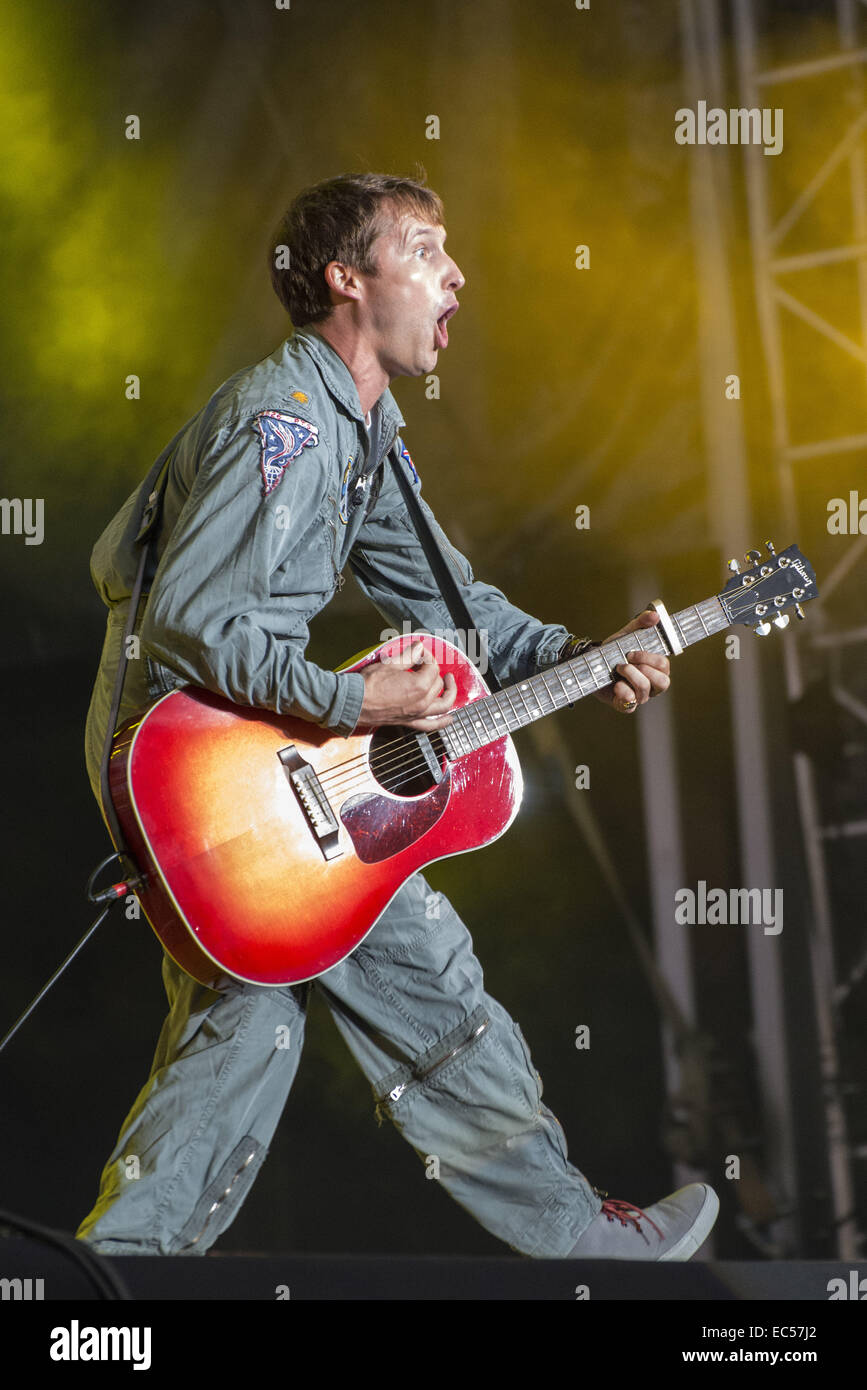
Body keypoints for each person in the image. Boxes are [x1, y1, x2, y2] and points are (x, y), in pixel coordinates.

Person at [76, 172, 719, 1261]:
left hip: (229, 764)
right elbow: (192, 621)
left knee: (252, 1017)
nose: (456, 272)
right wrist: (352, 699)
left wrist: (577, 654)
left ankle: (116, 1279)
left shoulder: (365, 433)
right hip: (203, 767)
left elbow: (454, 609)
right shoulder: (284, 421)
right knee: (418, 958)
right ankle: (576, 1239)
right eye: (426, 248)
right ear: (347, 279)